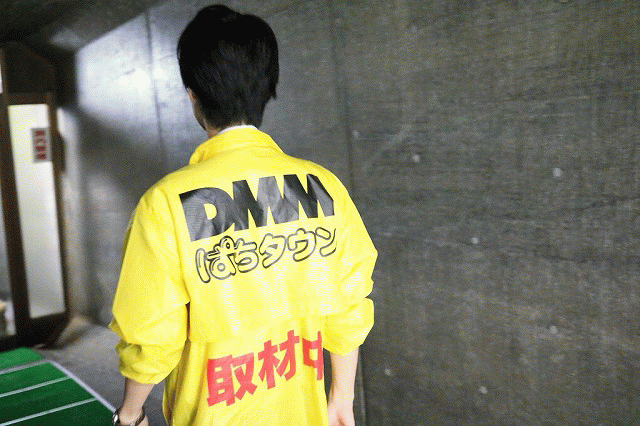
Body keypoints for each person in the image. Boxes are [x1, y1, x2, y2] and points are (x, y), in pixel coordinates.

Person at [110, 4, 376, 426]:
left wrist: (129, 414)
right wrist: (342, 398)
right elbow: (349, 305)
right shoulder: (323, 186)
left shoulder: (165, 205)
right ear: (268, 88)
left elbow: (153, 335)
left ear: (193, 94)